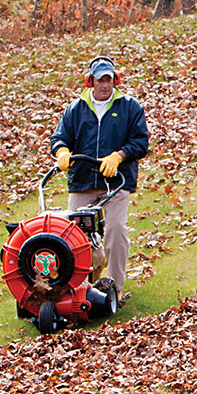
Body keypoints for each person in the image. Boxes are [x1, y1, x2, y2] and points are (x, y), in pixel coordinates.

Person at [50, 56, 149, 302]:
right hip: (82, 181)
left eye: (109, 80)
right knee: (73, 235)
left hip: (117, 183)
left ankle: (114, 288)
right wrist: (62, 151)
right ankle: (77, 286)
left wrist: (118, 156)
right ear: (90, 81)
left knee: (115, 229)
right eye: (100, 80)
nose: (105, 85)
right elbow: (59, 138)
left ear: (115, 80)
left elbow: (140, 142)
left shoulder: (129, 107)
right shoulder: (75, 109)